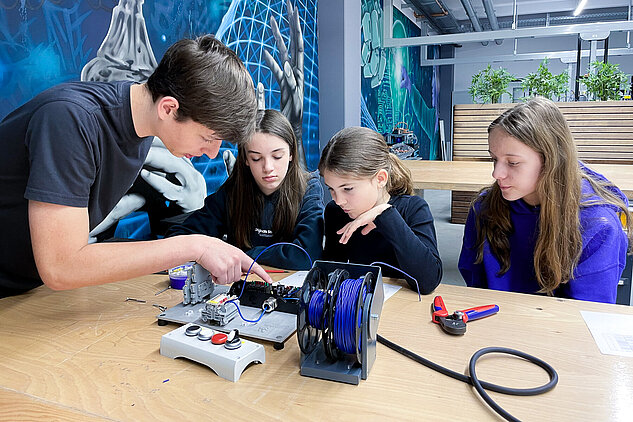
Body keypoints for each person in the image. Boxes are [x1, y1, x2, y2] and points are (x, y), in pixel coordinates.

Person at [0, 34, 273, 298]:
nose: (213, 154)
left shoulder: (141, 131)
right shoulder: (70, 120)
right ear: (168, 109)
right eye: (209, 138)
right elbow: (61, 266)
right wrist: (194, 246)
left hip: (25, 292)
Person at [458, 97, 631, 304]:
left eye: (512, 162)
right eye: (494, 159)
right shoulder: (484, 208)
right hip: (494, 327)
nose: (496, 173)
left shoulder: (598, 226)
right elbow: (475, 287)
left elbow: (590, 314)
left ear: (551, 160)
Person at [166, 109, 324, 270]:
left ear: (291, 153)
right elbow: (178, 238)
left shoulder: (309, 188)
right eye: (256, 158)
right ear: (246, 160)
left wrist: (245, 254)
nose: (268, 167)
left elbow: (305, 256)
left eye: (277, 156)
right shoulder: (233, 192)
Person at [319, 127, 442, 294]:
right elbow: (330, 273)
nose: (338, 200)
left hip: (402, 311)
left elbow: (428, 282)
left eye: (347, 188)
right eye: (331, 189)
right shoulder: (335, 211)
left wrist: (386, 215)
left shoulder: (413, 209)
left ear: (380, 179)